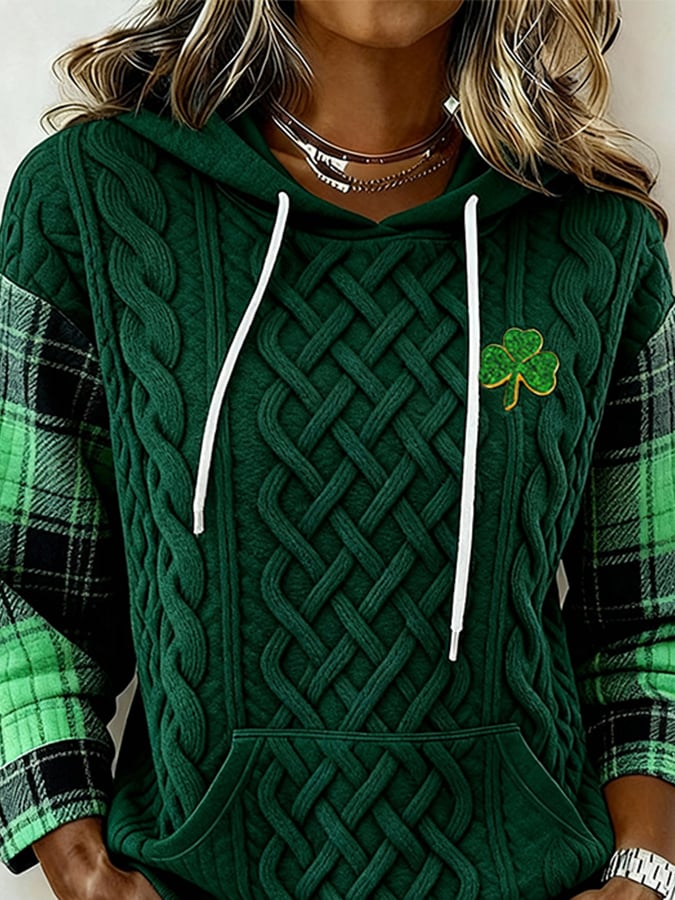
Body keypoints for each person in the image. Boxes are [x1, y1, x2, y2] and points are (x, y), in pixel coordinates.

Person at [0, 0, 674, 897]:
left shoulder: (593, 236)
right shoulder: (94, 200)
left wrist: (645, 870)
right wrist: (82, 872)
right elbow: (23, 588)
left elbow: (648, 612)